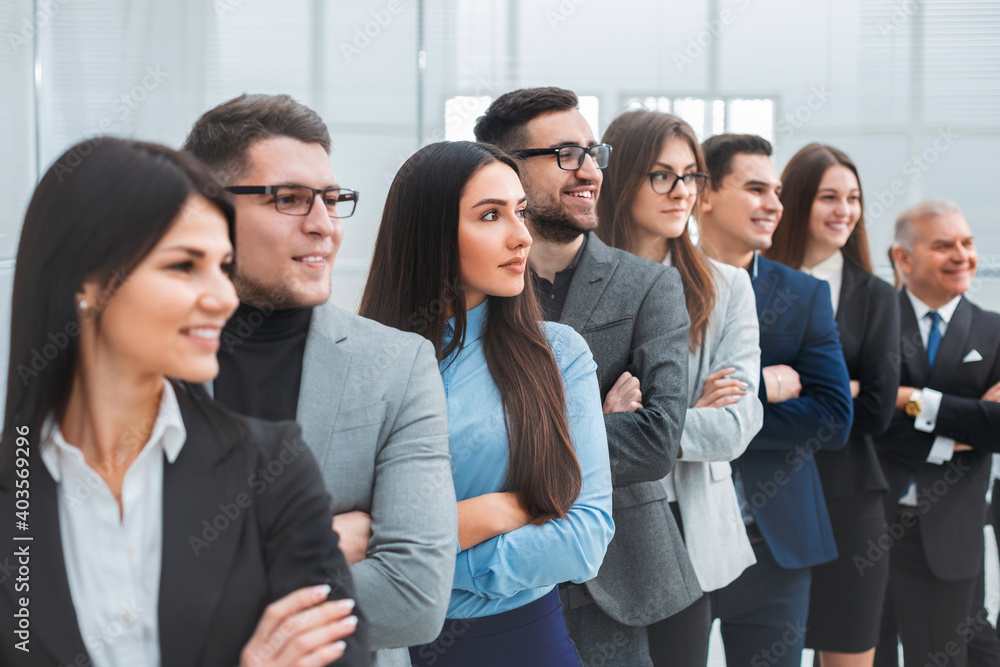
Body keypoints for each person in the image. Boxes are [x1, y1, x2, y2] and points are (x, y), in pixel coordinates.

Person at [0, 138, 368, 666]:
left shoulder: (271, 468)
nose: (222, 297)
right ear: (88, 283)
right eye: (183, 266)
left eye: (222, 266)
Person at [183, 94, 456, 667]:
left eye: (332, 200)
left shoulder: (397, 364)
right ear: (209, 210)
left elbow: (415, 598)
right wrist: (319, 548)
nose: (325, 226)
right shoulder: (142, 358)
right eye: (289, 200)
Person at [358, 140, 614, 666]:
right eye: (491, 215)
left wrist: (421, 559)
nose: (521, 235)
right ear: (430, 233)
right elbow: (339, 543)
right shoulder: (361, 360)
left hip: (523, 643)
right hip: (385, 647)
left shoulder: (559, 353)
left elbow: (584, 538)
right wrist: (503, 508)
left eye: (520, 212)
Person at [475, 87, 699, 666]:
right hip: (496, 579)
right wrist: (590, 421)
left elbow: (655, 442)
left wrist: (516, 444)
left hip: (625, 582)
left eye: (592, 152)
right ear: (507, 169)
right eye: (566, 154)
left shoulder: (649, 285)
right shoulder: (476, 287)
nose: (589, 170)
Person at [595, 109, 763, 666]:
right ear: (622, 178)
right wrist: (685, 413)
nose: (682, 191)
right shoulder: (582, 281)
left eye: (691, 175)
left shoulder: (727, 286)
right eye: (661, 175)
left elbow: (737, 424)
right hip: (599, 521)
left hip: (688, 528)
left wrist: (635, 423)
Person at [697, 133, 853, 667]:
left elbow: (834, 418)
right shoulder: (657, 285)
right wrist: (766, 387)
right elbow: (649, 404)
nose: (775, 205)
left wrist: (728, 407)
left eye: (779, 192)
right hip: (680, 535)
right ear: (704, 194)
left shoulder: (804, 295)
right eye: (756, 188)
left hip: (775, 543)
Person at [765, 143, 900, 667]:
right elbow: (733, 394)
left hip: (850, 503)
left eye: (853, 198)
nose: (844, 209)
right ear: (797, 201)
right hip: (767, 493)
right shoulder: (756, 282)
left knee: (846, 651)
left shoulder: (876, 296)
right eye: (829, 197)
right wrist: (834, 389)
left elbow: (876, 410)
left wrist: (787, 385)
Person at [873, 201, 1000, 667]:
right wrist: (959, 430)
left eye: (967, 244)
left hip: (949, 532)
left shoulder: (993, 331)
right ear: (903, 258)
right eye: (944, 245)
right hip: (868, 522)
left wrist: (913, 400)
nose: (962, 256)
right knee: (861, 653)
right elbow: (859, 418)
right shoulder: (867, 320)